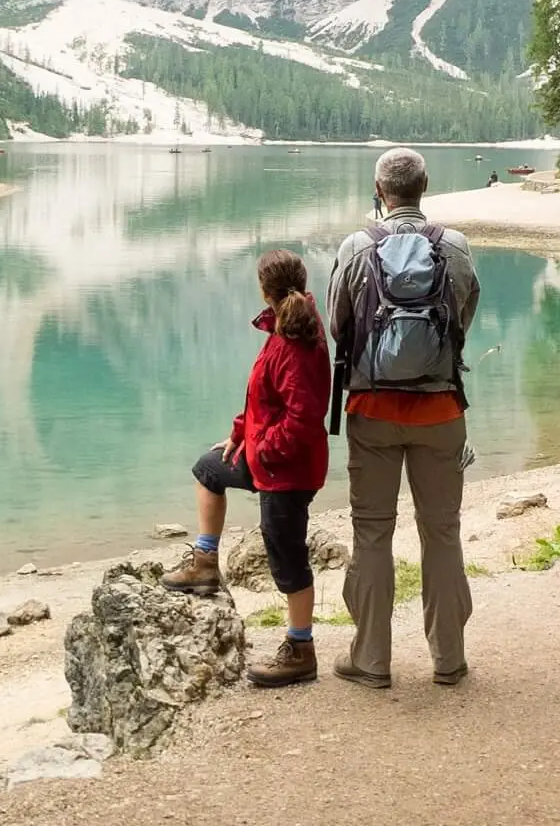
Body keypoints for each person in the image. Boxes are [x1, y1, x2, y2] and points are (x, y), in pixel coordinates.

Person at [328, 147, 481, 689]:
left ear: (379, 190)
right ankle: (448, 659)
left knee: (372, 533)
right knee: (441, 532)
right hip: (441, 410)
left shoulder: (355, 246)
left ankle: (371, 660)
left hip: (371, 411)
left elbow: (338, 324)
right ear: (426, 186)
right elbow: (463, 317)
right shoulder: (455, 247)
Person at [163, 249, 332, 687]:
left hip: (287, 470)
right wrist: (240, 435)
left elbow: (302, 419)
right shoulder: (283, 327)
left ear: (264, 289)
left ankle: (301, 649)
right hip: (267, 459)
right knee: (209, 469)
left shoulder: (297, 340)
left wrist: (263, 449)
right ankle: (205, 561)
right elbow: (261, 398)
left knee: (286, 557)